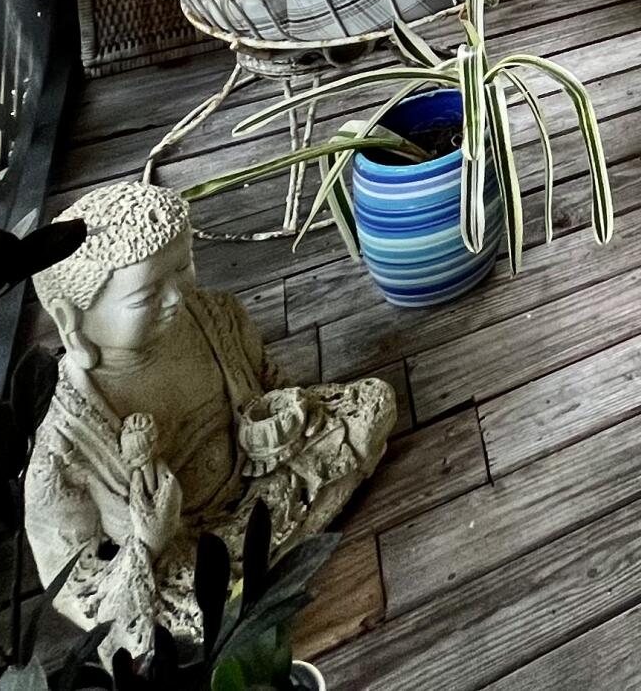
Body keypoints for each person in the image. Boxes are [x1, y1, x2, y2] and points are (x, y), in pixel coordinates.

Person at [25, 180, 395, 663]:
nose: (177, 297)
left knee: (372, 405)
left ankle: (258, 566)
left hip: (258, 476)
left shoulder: (212, 316)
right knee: (169, 626)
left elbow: (270, 381)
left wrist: (281, 416)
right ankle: (247, 577)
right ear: (70, 318)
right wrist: (147, 542)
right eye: (147, 296)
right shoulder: (66, 435)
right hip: (181, 550)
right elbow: (73, 584)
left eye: (184, 269)